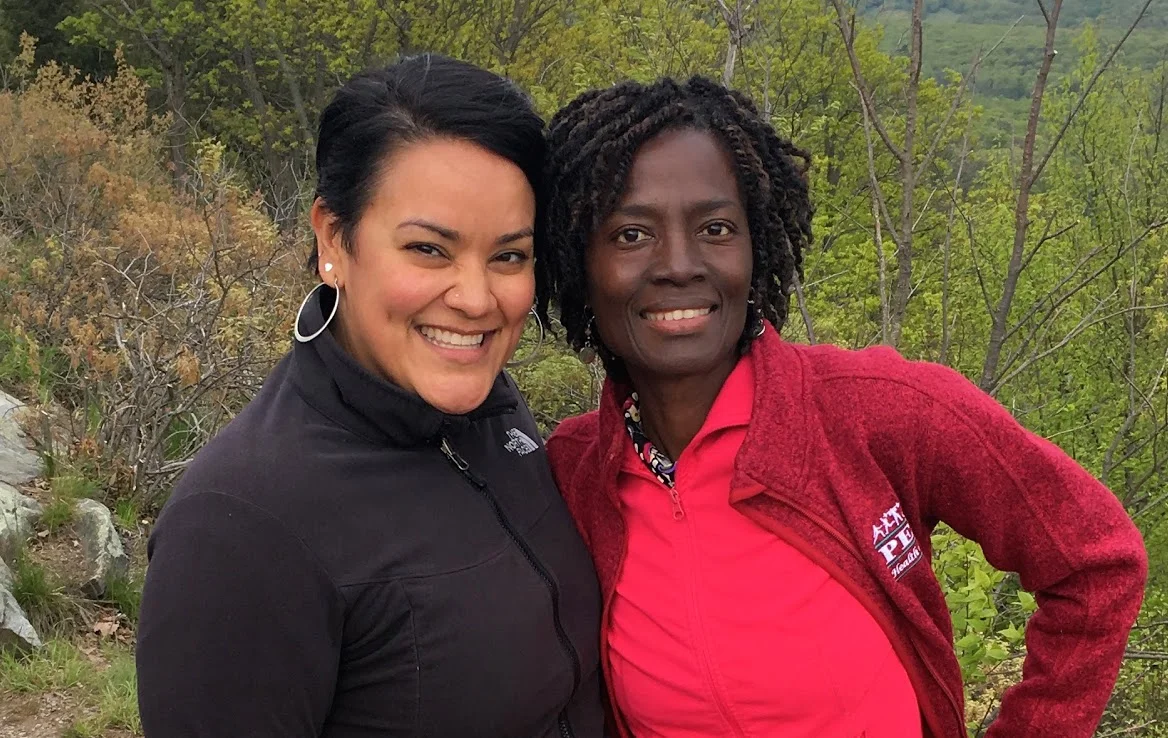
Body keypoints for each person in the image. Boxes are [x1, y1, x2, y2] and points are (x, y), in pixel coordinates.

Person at [535, 75, 1148, 738]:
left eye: (715, 227)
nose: (679, 264)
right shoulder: (573, 473)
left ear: (757, 244)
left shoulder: (878, 412)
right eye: (630, 235)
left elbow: (1096, 562)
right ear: (576, 264)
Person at [136, 54, 606, 738]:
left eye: (508, 256)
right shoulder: (239, 526)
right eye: (428, 250)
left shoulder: (486, 413)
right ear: (334, 238)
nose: (477, 299)